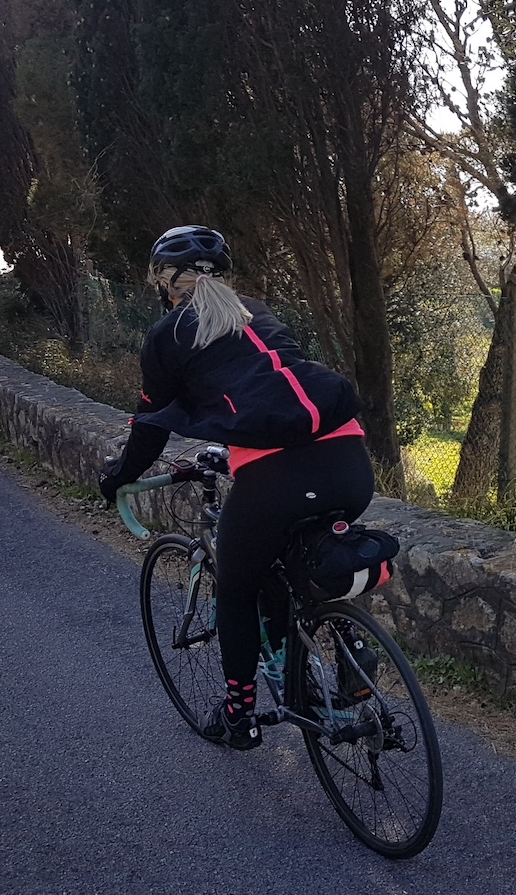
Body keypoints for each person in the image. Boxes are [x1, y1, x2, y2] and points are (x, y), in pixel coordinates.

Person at [100, 225, 373, 750]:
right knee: (298, 561)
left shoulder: (168, 335)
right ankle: (350, 644)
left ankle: (240, 715)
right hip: (348, 462)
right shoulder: (256, 311)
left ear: (165, 281)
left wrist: (118, 478)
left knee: (236, 588)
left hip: (277, 480)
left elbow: (151, 425)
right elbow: (268, 388)